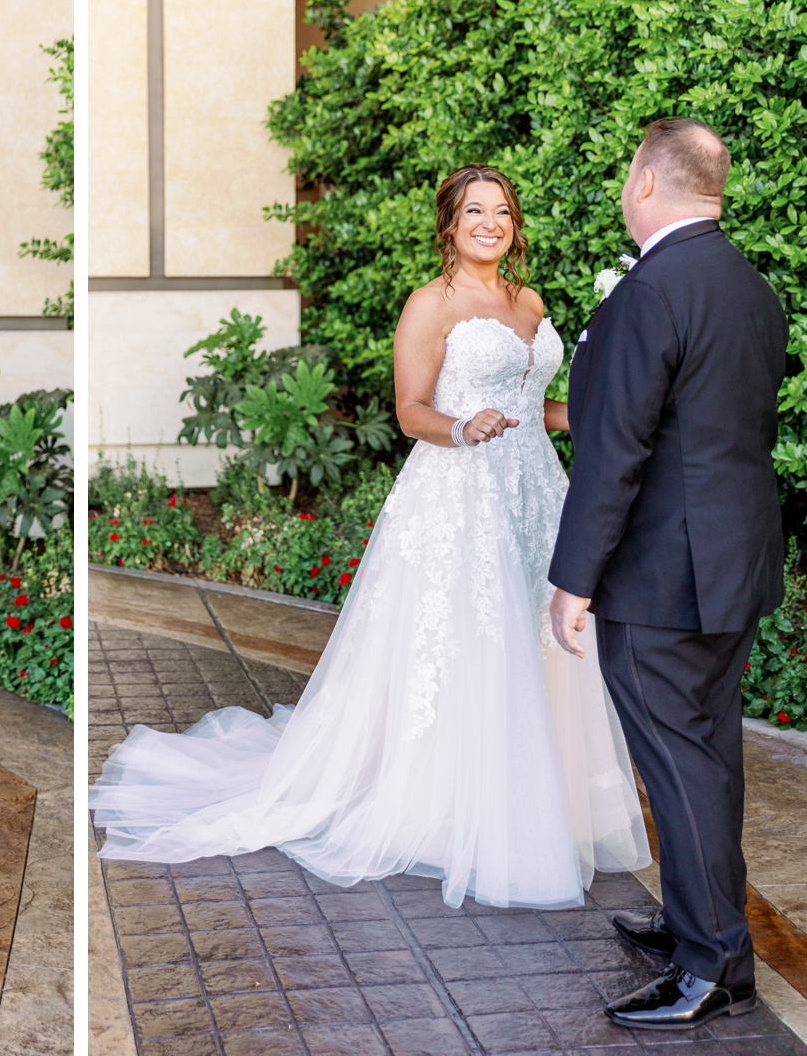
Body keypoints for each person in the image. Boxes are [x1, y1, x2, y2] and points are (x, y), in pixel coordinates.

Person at [90, 165, 650, 910]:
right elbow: (412, 408)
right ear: (449, 225)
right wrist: (460, 425)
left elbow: (533, 402)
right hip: (459, 494)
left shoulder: (530, 301)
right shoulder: (431, 303)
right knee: (467, 645)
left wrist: (582, 416)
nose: (492, 222)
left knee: (537, 642)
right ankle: (448, 808)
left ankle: (535, 799)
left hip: (534, 492)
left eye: (503, 211)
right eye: (475, 211)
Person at [550, 119, 787, 1030]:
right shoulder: (751, 286)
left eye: (624, 176)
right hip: (735, 565)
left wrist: (576, 577)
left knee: (679, 765)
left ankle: (715, 962)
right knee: (708, 753)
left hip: (662, 576)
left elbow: (616, 452)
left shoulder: (650, 292)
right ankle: (697, 915)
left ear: (649, 181)